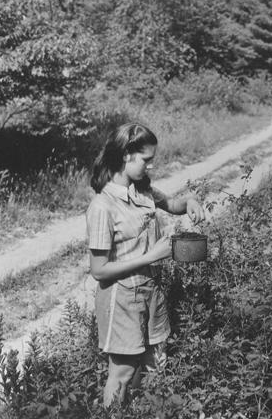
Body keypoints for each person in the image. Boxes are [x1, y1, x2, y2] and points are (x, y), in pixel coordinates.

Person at [86, 122, 205, 407]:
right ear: (126, 154)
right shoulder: (102, 207)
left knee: (157, 363)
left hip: (153, 292)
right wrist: (151, 256)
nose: (150, 167)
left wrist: (191, 200)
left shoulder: (144, 192)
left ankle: (145, 411)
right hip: (123, 297)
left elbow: (174, 205)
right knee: (124, 371)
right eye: (146, 160)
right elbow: (99, 270)